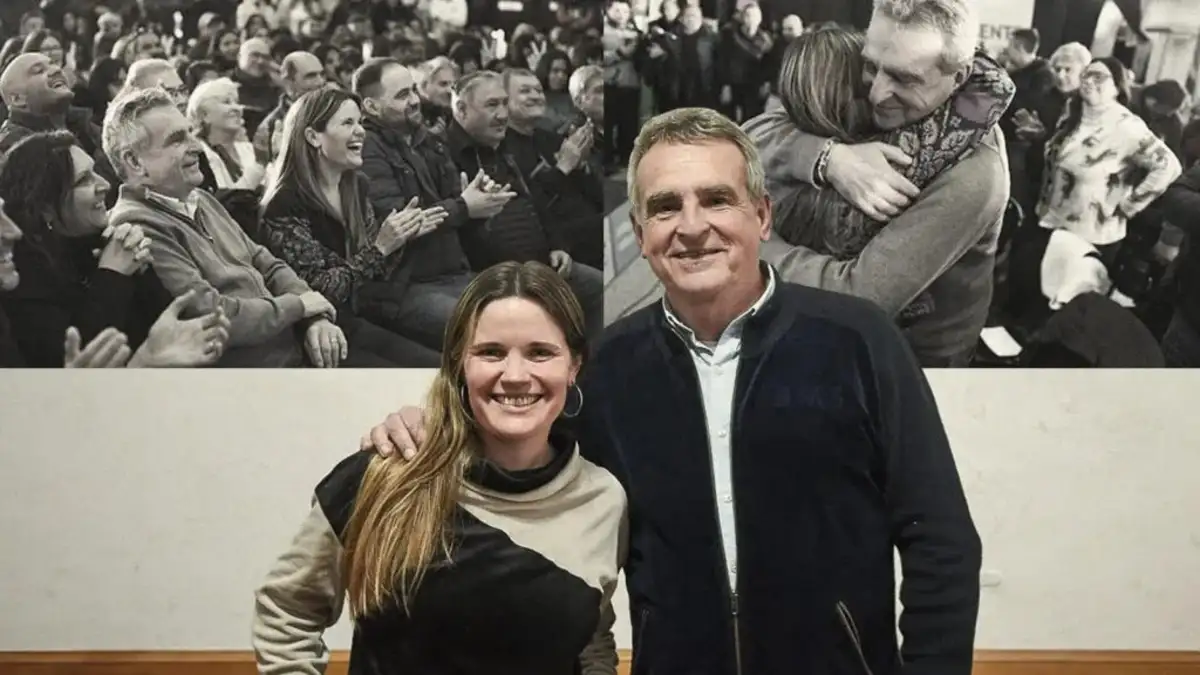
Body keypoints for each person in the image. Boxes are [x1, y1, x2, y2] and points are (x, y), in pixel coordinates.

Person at [362, 107, 982, 674]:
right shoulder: (605, 370)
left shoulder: (859, 340)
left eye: (716, 199)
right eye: (665, 207)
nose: (691, 227)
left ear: (762, 215)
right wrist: (427, 427)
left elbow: (941, 539)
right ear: (639, 232)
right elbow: (510, 466)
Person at [253, 261, 625, 675]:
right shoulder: (387, 474)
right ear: (459, 364)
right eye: (491, 352)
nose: (516, 375)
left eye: (540, 353)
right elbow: (287, 611)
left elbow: (592, 642)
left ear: (573, 366)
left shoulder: (603, 499)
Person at [744, 0, 1012, 367]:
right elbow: (751, 134)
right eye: (870, 67)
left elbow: (856, 298)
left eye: (904, 78)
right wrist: (827, 157)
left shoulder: (975, 173)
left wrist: (743, 243)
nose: (875, 94)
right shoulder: (894, 56)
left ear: (959, 76)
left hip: (913, 363)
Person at [102, 86, 385, 368]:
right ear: (134, 161)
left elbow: (267, 263)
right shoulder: (137, 225)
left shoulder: (201, 199)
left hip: (295, 346)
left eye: (190, 133)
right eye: (177, 140)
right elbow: (210, 313)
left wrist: (314, 318)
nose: (196, 147)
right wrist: (299, 307)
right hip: (254, 372)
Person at [0, 130, 228, 367]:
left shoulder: (102, 241)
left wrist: (140, 270)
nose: (105, 184)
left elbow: (165, 326)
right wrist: (112, 274)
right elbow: (75, 362)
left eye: (95, 172)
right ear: (45, 206)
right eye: (84, 180)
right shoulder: (20, 274)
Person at [258, 86, 442, 367]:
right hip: (315, 333)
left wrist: (401, 239)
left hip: (359, 318)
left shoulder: (356, 185)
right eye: (347, 123)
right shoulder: (284, 203)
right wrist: (381, 248)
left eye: (359, 122)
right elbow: (317, 291)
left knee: (439, 366)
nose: (361, 131)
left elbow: (373, 274)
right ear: (313, 137)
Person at [187, 77, 266, 191]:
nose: (237, 108)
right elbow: (224, 199)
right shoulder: (200, 156)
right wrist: (259, 166)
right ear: (204, 115)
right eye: (226, 102)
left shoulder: (249, 149)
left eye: (237, 102)